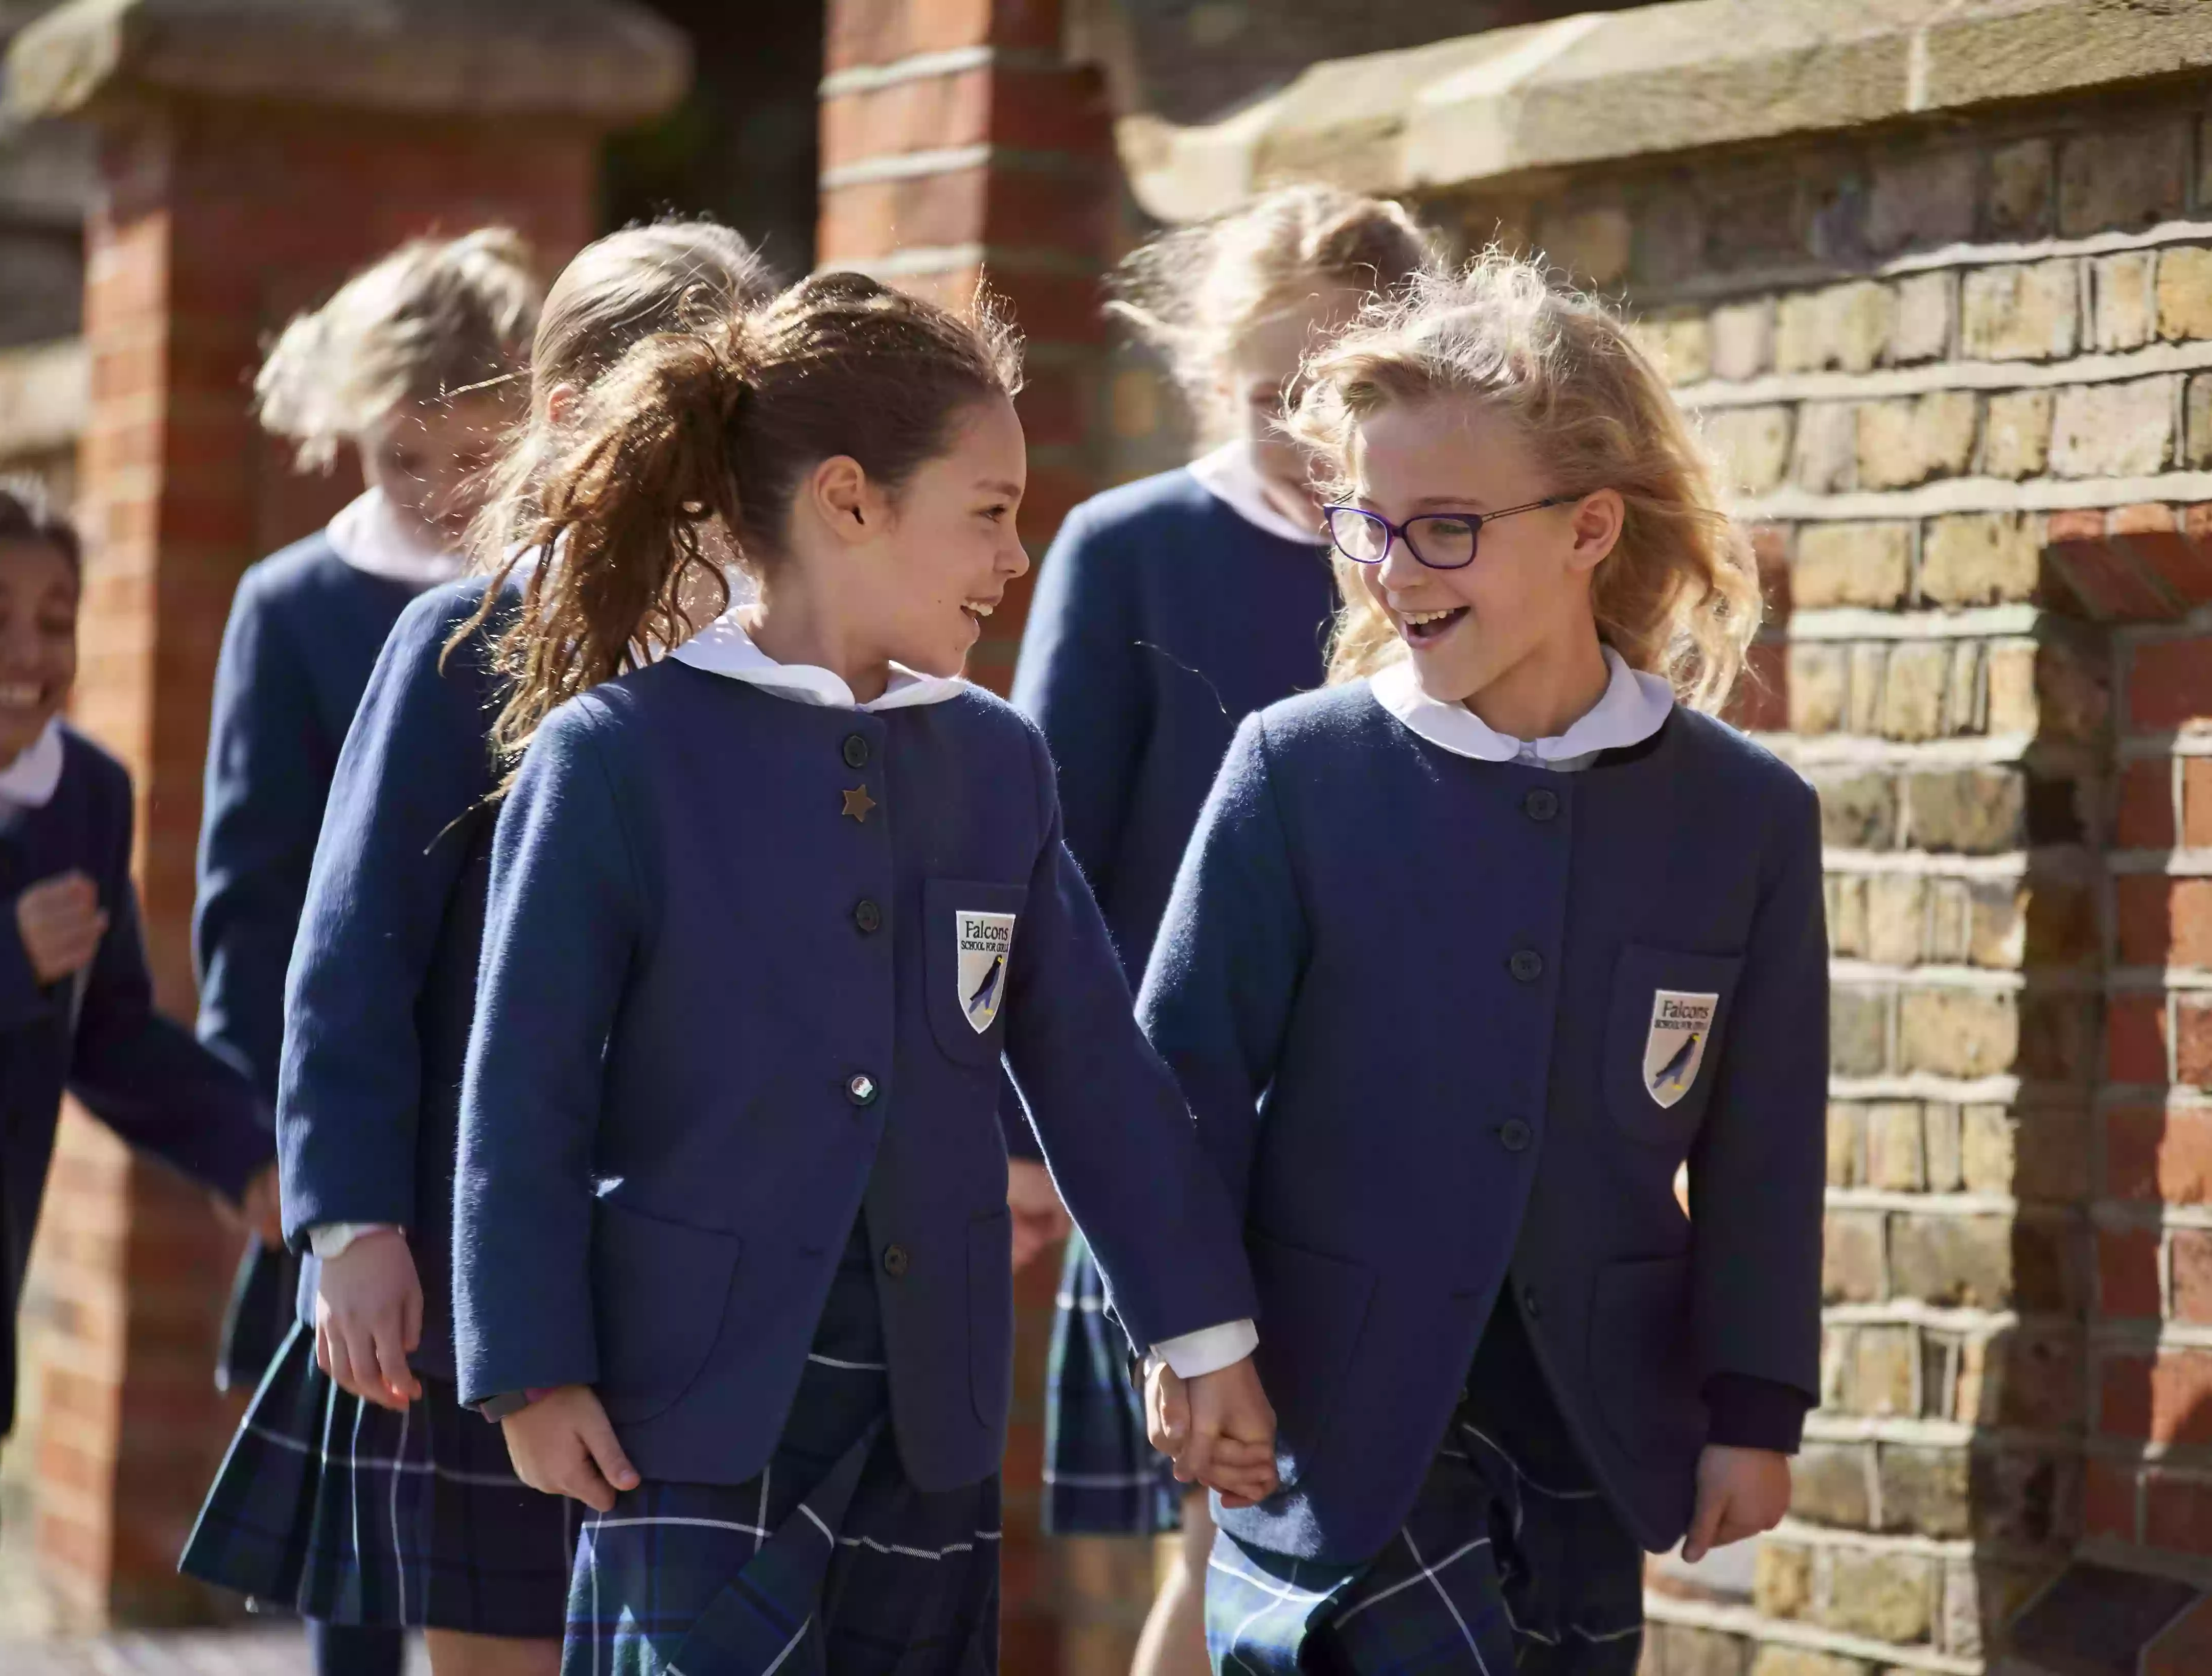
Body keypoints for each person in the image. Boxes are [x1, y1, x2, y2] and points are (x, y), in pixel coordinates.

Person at [451, 271, 1277, 1676]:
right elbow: (521, 1092)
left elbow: (1094, 1074)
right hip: (686, 1406)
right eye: (991, 510)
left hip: (932, 1412)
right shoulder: (617, 757)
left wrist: (1205, 1330)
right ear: (849, 500)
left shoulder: (997, 760)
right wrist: (530, 1367)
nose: (1019, 555)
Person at [1135, 252, 1824, 1675]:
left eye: (1445, 530)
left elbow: (1766, 1147)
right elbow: (1177, 1084)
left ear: (1589, 529)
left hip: (1592, 1422)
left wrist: (1756, 1411)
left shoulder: (1747, 815)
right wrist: (1194, 1336)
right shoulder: (1296, 772)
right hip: (1336, 1422)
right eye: (1364, 523)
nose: (1391, 570)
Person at [179, 220, 774, 1676]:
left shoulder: (792, 666)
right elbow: (347, 957)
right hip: (471, 1260)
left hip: (708, 1266)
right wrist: (351, 1221)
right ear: (568, 419)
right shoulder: (459, 644)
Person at [1015, 182, 1437, 1676]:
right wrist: (1037, 1132)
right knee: (1220, 1560)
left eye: (1334, 392)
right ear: (1206, 377)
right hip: (1176, 1134)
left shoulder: (1438, 563)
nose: (1300, 426)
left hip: (1395, 1144)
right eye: (1271, 393)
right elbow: (1034, 856)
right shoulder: (1127, 549)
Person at [186, 225, 538, 1676]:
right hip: (343, 1123)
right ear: (352, 430)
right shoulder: (295, 604)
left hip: (498, 1119)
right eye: (405, 459)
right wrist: (264, 1143)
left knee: (488, 1555)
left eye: (472, 460)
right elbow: (254, 898)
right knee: (362, 1533)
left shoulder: (551, 596)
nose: (442, 496)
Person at [0, 473, 280, 1676]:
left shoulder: (85, 793)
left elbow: (109, 1031)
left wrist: (246, 1149)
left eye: (57, 616)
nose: (29, 652)